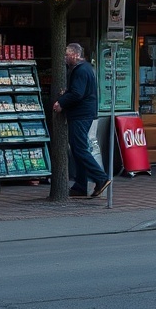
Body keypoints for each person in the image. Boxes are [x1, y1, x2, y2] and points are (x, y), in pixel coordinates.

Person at [53, 43, 111, 198]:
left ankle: (100, 177)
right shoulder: (85, 69)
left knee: (79, 149)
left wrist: (61, 102)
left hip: (80, 115)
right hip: (84, 113)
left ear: (75, 55)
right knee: (79, 150)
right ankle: (80, 185)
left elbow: (78, 94)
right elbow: (79, 91)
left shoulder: (80, 70)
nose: (65, 58)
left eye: (67, 55)